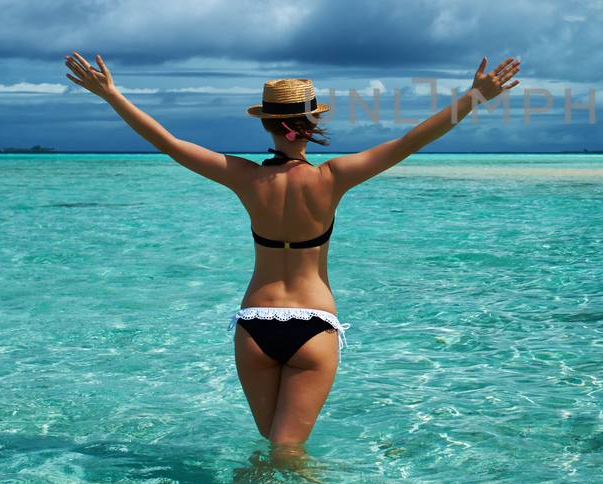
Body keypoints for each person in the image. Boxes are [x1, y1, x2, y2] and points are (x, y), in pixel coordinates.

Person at [63, 52, 521, 461]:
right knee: (288, 453)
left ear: (266, 123)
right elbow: (409, 142)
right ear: (311, 123)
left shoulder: (243, 177)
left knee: (274, 447)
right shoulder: (332, 177)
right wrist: (474, 98)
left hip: (255, 324)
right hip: (313, 324)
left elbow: (168, 143)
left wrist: (112, 96)